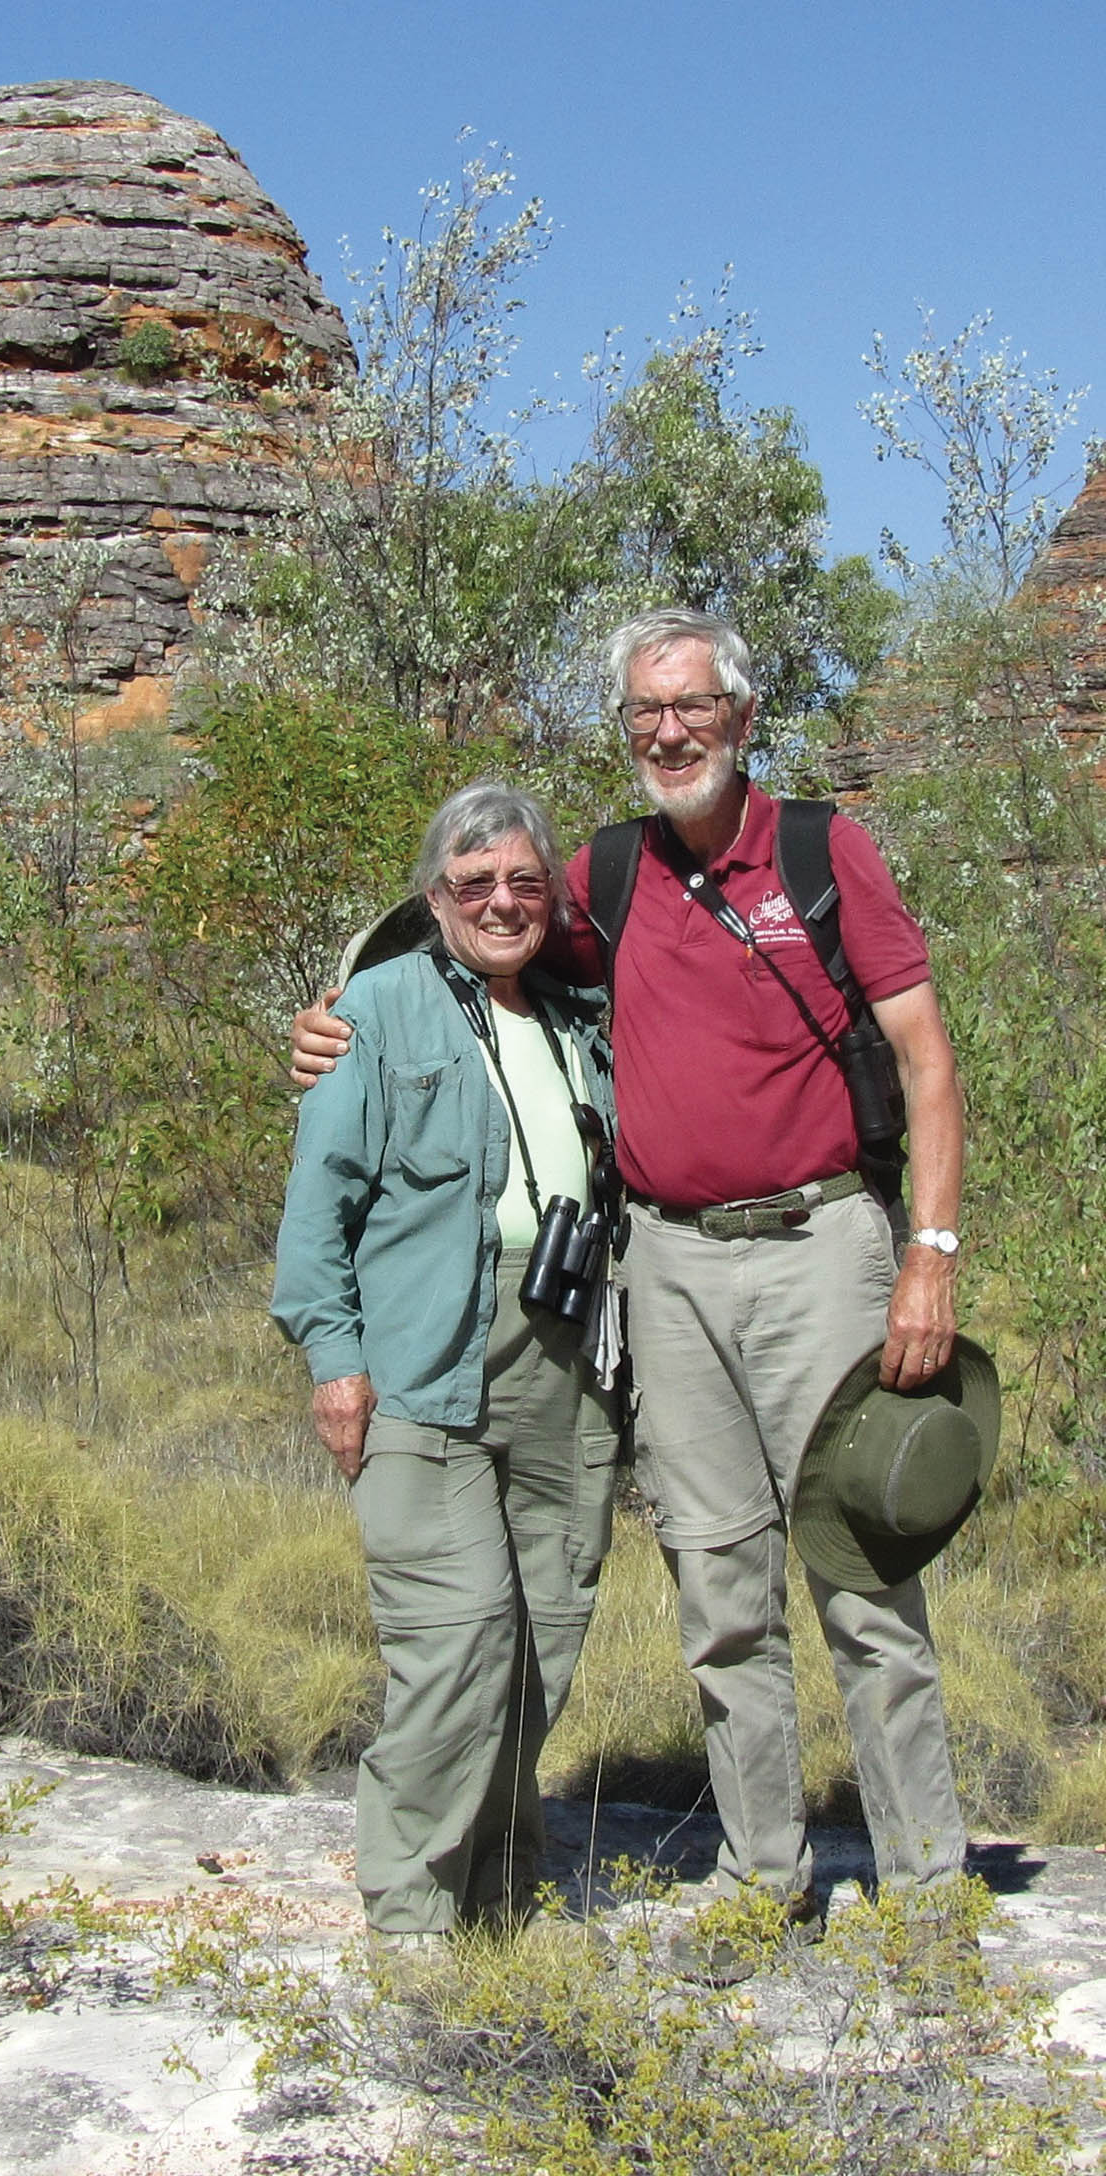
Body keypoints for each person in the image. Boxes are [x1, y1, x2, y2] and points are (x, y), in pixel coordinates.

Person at [292, 609, 971, 1907]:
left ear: (742, 718)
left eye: (694, 708)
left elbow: (928, 1059)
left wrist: (927, 1254)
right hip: (661, 1268)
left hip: (824, 1246)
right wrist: (334, 1022)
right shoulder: (612, 875)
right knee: (720, 1590)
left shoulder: (826, 854)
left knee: (864, 1581)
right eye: (645, 714)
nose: (669, 733)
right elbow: (469, 938)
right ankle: (761, 1881)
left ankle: (931, 1900)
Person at [271, 778, 623, 1937]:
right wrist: (335, 1359)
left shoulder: (582, 1019)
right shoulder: (376, 1012)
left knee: (544, 1648)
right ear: (436, 897)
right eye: (475, 885)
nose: (502, 903)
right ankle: (415, 1923)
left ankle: (502, 1900)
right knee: (457, 1644)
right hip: (421, 1373)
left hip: (565, 1373)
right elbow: (317, 1210)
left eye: (525, 881)